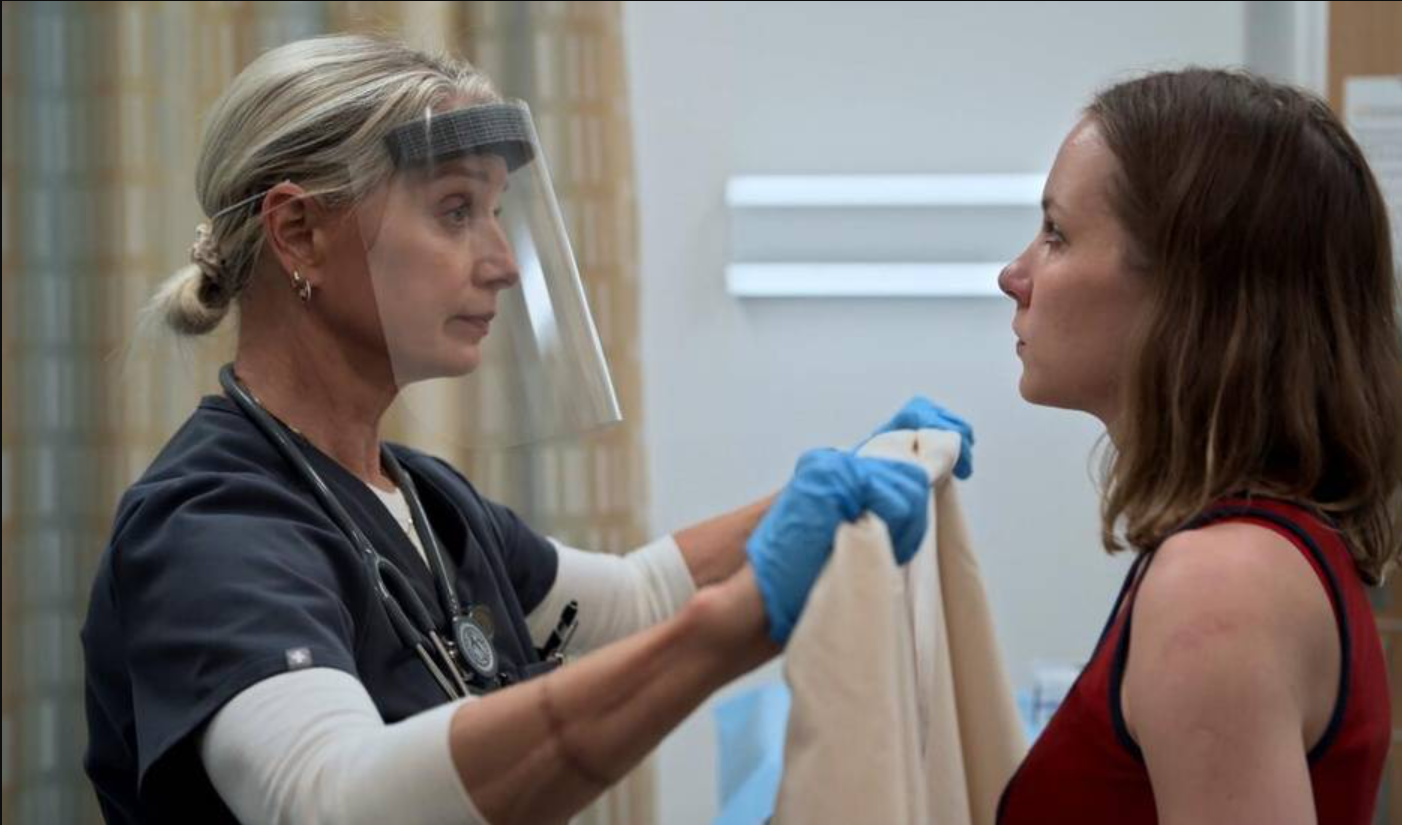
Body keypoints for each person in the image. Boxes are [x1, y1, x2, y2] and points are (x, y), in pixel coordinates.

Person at [80, 34, 972, 825]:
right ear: (300, 233)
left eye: (497, 215)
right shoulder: (212, 527)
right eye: (456, 211)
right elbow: (332, 798)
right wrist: (734, 626)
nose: (503, 265)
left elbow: (631, 601)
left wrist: (836, 487)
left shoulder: (425, 501)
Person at [993, 68, 1402, 824]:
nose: (1014, 275)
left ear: (1187, 291)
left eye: (1057, 233)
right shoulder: (1248, 555)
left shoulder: (1222, 583)